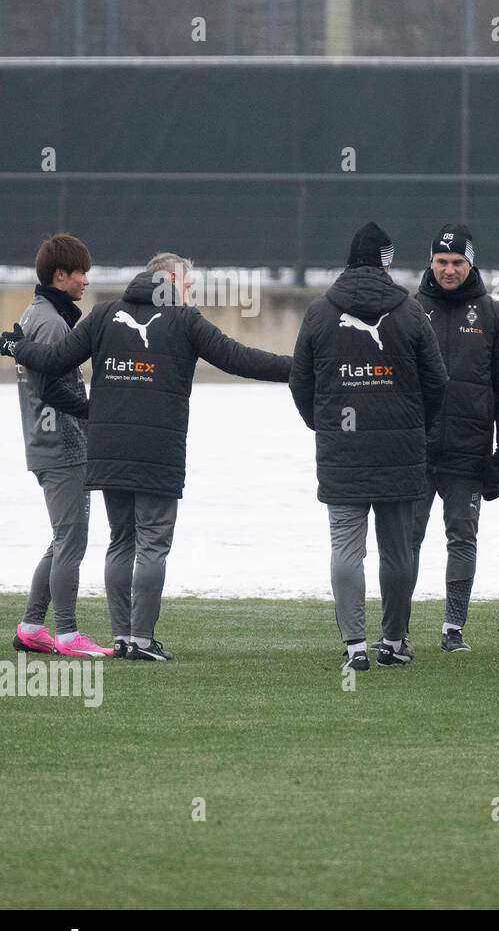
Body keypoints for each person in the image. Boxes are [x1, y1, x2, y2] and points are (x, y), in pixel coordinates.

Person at [3, 252, 292, 661]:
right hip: (157, 451)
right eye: (188, 287)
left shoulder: (103, 315)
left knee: (121, 541)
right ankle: (141, 640)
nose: (190, 295)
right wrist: (301, 368)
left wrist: (16, 345)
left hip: (107, 449)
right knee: (153, 544)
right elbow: (239, 359)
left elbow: (52, 360)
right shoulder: (185, 321)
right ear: (170, 279)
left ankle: (123, 638)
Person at [290, 223, 448, 672]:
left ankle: (355, 644)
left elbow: (300, 380)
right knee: (398, 551)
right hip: (401, 450)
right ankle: (394, 640)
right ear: (387, 261)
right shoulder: (412, 312)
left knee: (346, 548)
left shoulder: (320, 312)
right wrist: (419, 427)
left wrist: (323, 425)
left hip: (342, 450)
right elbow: (437, 381)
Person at [411, 222, 499, 654]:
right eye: (441, 261)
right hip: (415, 451)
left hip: (468, 452)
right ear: (430, 262)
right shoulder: (409, 308)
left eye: (457, 262)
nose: (449, 270)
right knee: (406, 540)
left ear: (471, 263)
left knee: (462, 538)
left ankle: (453, 627)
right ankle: (397, 628)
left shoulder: (494, 314)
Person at [10, 234, 111, 659]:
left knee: (60, 539)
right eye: (80, 272)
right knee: (72, 540)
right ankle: (68, 635)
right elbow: (52, 389)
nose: (87, 280)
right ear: (59, 275)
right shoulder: (50, 321)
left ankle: (32, 627)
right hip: (62, 447)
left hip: (45, 445)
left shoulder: (37, 314)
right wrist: (97, 412)